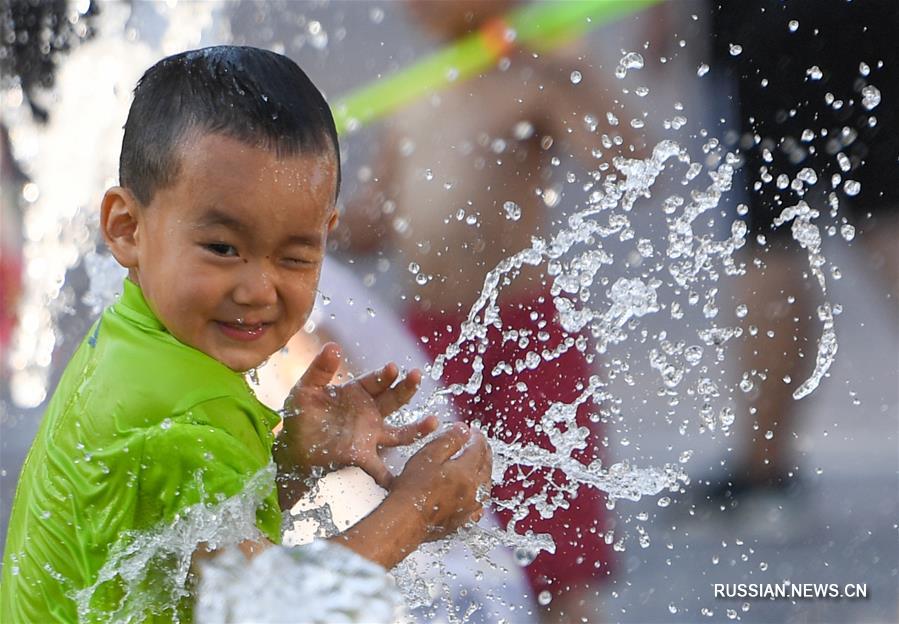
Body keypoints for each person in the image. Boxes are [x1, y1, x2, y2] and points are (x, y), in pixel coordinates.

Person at [0, 46, 493, 622]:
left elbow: (185, 551)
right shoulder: (190, 417)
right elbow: (272, 608)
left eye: (295, 256)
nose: (259, 289)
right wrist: (418, 510)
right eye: (222, 248)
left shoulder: (130, 340)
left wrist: (287, 467)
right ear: (126, 228)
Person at [340, 2, 637, 620]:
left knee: (553, 550)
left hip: (523, 338)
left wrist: (577, 71)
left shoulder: (530, 80)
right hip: (426, 344)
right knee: (433, 541)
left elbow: (626, 163)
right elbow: (374, 223)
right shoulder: (412, 95)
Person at [702, 1, 899, 504]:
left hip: (770, 18)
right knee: (883, 211)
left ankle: (762, 469)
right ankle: (762, 466)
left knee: (772, 231)